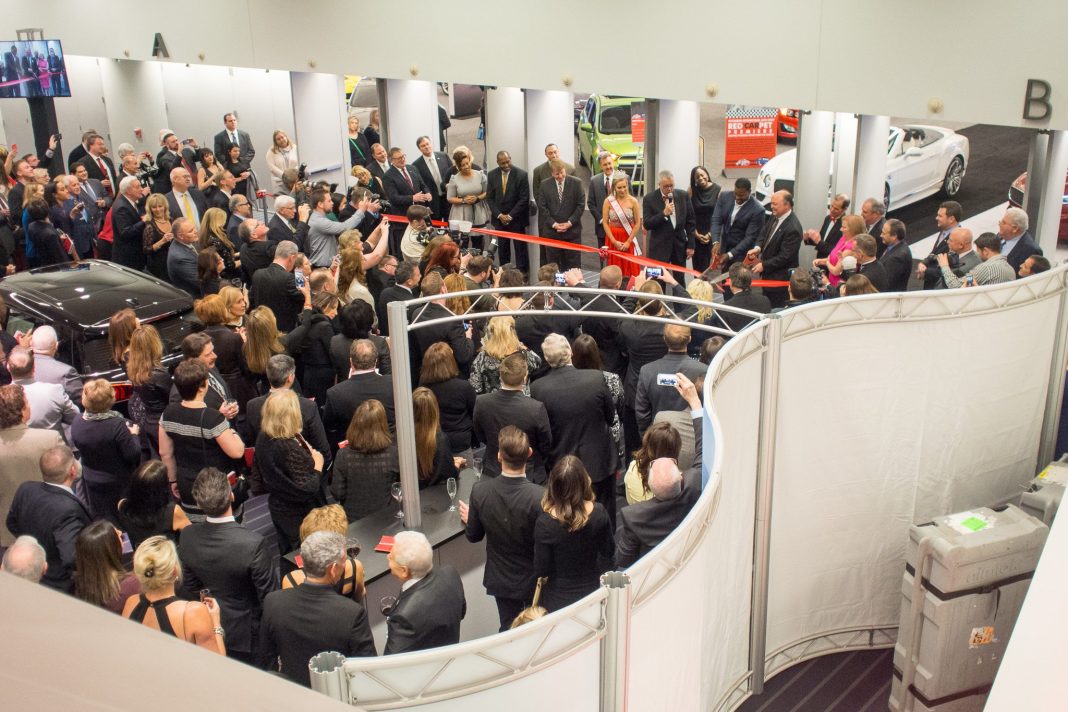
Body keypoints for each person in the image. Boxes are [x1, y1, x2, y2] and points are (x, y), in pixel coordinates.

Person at [178, 467, 277, 664]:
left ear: (199, 504)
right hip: (250, 635)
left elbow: (190, 586)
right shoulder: (253, 543)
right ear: (231, 496)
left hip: (208, 625)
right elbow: (269, 597)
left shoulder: (187, 535)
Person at [261, 530, 376, 685]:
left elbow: (266, 660)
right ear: (333, 569)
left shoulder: (273, 602)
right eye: (344, 561)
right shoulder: (352, 613)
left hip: (293, 691)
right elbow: (368, 669)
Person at [459, 426, 545, 631]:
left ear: (499, 456)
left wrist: (473, 516)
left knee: (507, 628)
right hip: (534, 578)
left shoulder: (481, 492)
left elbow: (473, 536)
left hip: (502, 580)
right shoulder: (540, 496)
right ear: (529, 454)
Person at [616, 375, 704, 566]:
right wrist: (695, 402)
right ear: (681, 476)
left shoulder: (634, 516)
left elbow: (624, 559)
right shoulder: (695, 484)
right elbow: (702, 449)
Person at [531, 334, 617, 520]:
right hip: (599, 461)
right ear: (570, 351)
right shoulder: (596, 378)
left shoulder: (538, 388)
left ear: (546, 358)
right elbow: (610, 418)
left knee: (567, 517)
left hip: (562, 464)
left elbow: (542, 431)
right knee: (605, 515)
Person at [533, 456, 614, 612]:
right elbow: (608, 552)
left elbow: (542, 569)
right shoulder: (599, 514)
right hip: (593, 592)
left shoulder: (545, 524)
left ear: (553, 486)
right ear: (584, 481)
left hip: (558, 602)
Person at [6, 445, 92, 592]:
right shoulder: (68, 508)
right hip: (59, 583)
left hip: (34, 572)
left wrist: (36, 548)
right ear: (72, 470)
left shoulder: (26, 488)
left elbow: (11, 523)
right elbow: (71, 557)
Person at [159, 360, 245, 506]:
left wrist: (173, 480)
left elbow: (165, 453)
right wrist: (233, 432)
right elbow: (237, 452)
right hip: (216, 486)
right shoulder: (214, 418)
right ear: (202, 387)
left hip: (186, 484)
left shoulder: (167, 414)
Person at [123, 535, 226, 654]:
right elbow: (216, 663)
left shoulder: (131, 603)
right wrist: (216, 622)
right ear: (174, 571)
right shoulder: (193, 612)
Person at [253, 390, 326, 554]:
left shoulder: (263, 436)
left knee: (287, 553)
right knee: (307, 556)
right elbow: (308, 488)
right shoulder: (287, 447)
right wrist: (318, 465)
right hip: (299, 513)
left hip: (278, 505)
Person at [0, 384, 65, 549]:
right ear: (22, 410)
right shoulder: (49, 439)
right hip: (52, 526)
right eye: (27, 403)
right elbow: (75, 472)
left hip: (9, 536)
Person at [473, 352, 553, 484]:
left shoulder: (482, 402)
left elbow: (481, 436)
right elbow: (546, 444)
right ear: (525, 377)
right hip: (529, 473)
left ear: (500, 375)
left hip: (494, 469)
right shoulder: (535, 408)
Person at [70, 379, 142, 522]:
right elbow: (133, 454)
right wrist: (134, 435)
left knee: (104, 522)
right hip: (119, 484)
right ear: (111, 399)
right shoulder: (117, 425)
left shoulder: (77, 422)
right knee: (126, 521)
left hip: (92, 482)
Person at [384, 530, 466, 655]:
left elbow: (391, 661)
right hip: (450, 658)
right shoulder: (450, 574)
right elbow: (461, 612)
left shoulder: (403, 616)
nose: (387, 556)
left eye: (391, 556)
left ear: (404, 571)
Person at [634, 323, 709, 434]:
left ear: (664, 339)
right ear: (690, 339)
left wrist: (647, 438)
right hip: (693, 439)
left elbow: (642, 413)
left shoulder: (647, 371)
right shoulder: (704, 371)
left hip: (658, 440)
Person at [331, 399, 399, 521]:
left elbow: (337, 493)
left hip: (353, 521)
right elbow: (399, 489)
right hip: (386, 519)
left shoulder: (343, 455)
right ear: (383, 424)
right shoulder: (394, 454)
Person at [323, 339, 395, 445]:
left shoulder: (335, 393)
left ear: (351, 362)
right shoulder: (393, 384)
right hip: (390, 447)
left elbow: (329, 428)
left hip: (353, 450)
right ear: (376, 361)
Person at [410, 272, 476, 378]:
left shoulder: (416, 314)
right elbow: (463, 356)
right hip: (449, 375)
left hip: (426, 374)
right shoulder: (452, 320)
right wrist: (468, 338)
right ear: (443, 289)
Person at [7, 347, 79, 445]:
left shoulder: (3, 398)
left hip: (18, 455)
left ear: (8, 367)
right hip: (55, 453)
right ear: (34, 368)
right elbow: (75, 417)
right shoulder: (54, 391)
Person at [196, 295, 256, 411]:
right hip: (238, 390)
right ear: (221, 311)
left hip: (212, 390)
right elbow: (247, 368)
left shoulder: (199, 339)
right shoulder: (233, 338)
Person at [744, 189, 803, 308]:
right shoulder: (776, 215)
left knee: (776, 307)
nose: (771, 207)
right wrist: (757, 248)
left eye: (775, 204)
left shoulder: (793, 229)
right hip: (768, 275)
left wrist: (764, 265)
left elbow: (785, 257)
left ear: (787, 205)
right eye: (771, 203)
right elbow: (764, 232)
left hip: (779, 280)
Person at [117, 460, 191, 551]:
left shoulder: (122, 506)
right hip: (166, 561)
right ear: (161, 488)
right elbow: (192, 537)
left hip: (140, 559)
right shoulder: (172, 512)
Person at [73, 520, 141, 613]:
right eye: (119, 535)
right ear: (112, 548)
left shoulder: (80, 585)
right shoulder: (132, 585)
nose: (121, 533)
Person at [420, 343, 476, 455]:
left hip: (433, 443)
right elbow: (474, 414)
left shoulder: (423, 388)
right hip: (460, 444)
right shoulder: (463, 387)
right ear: (450, 362)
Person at [285, 292, 340, 406]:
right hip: (323, 375)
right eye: (333, 308)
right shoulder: (325, 326)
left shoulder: (306, 322)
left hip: (307, 372)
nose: (336, 312)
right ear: (325, 306)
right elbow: (332, 351)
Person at [124, 326, 171, 458]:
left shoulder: (135, 370)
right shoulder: (158, 375)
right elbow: (172, 399)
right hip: (164, 425)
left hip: (149, 422)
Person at [642, 171, 696, 279]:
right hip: (658, 248)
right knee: (656, 279)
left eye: (671, 186)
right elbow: (647, 224)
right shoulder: (649, 198)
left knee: (679, 280)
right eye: (666, 186)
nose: (670, 189)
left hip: (679, 246)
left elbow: (690, 222)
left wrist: (691, 245)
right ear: (659, 185)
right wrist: (663, 214)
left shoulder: (683, 195)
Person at [485, 150, 531, 275]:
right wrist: (499, 215)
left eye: (507, 161)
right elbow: (489, 198)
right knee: (503, 249)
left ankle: (522, 275)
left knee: (520, 249)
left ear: (510, 158)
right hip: (499, 220)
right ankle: (504, 274)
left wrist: (510, 216)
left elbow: (524, 198)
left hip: (517, 219)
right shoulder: (492, 175)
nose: (505, 165)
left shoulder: (521, 174)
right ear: (497, 162)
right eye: (502, 163)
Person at [250, 240, 310, 332]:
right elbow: (304, 299)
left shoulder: (257, 274)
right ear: (292, 257)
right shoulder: (289, 278)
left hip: (261, 329)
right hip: (283, 332)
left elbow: (252, 300)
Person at [535, 159, 584, 270]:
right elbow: (542, 207)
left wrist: (569, 223)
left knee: (573, 268)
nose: (561, 176)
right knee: (553, 268)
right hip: (552, 233)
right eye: (557, 174)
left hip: (572, 233)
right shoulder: (544, 185)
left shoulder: (577, 183)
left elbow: (580, 205)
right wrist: (554, 224)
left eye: (562, 172)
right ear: (552, 173)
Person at [710, 177, 765, 271]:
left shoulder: (758, 210)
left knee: (738, 282)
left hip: (742, 253)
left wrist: (730, 254)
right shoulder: (724, 197)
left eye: (742, 195)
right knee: (724, 281)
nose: (737, 198)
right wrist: (715, 242)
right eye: (736, 194)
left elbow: (750, 238)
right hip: (725, 247)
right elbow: (716, 220)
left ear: (749, 192)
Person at [412, 387, 460, 489]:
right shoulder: (440, 440)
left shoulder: (405, 439)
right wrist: (456, 464)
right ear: (435, 409)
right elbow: (448, 476)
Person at [938, 231, 1017, 287]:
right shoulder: (1011, 269)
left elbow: (955, 286)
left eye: (978, 251)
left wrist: (945, 266)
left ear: (985, 251)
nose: (977, 254)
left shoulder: (986, 268)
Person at [446, 148, 491, 244]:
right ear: (458, 166)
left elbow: (488, 192)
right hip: (461, 213)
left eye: (467, 163)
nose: (466, 166)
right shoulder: (454, 179)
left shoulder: (480, 175)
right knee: (463, 242)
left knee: (478, 241)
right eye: (463, 165)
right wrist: (463, 200)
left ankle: (477, 259)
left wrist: (478, 198)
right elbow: (450, 198)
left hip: (478, 212)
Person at [602, 174, 642, 279]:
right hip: (613, 238)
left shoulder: (633, 201)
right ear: (614, 187)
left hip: (628, 237)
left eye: (625, 186)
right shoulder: (608, 201)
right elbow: (605, 223)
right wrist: (614, 241)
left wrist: (629, 241)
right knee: (614, 268)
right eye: (619, 187)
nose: (622, 190)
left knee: (629, 267)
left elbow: (637, 223)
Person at [29, 325, 83, 403]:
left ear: (31, 343)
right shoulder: (66, 372)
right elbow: (82, 401)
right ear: (56, 345)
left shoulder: (20, 367)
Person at [917, 201, 964, 286]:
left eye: (940, 216)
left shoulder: (958, 239)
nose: (936, 218)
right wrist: (924, 263)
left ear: (951, 219)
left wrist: (925, 272)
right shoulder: (945, 230)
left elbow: (952, 269)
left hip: (939, 288)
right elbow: (934, 253)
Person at [813, 213, 864, 288]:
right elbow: (832, 257)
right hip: (830, 281)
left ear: (853, 230)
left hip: (839, 286)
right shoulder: (843, 238)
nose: (841, 229)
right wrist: (820, 261)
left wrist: (826, 263)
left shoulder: (852, 247)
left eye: (844, 227)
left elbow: (836, 271)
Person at [687, 166, 721, 273]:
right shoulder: (691, 190)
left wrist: (711, 234)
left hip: (711, 234)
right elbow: (687, 213)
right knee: (697, 270)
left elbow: (720, 215)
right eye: (697, 177)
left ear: (707, 174)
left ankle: (705, 289)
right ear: (694, 180)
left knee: (708, 270)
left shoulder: (718, 189)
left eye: (702, 175)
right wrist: (695, 233)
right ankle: (697, 290)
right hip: (695, 234)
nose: (701, 178)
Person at [377, 261, 420, 337]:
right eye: (418, 275)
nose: (420, 276)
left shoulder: (384, 293)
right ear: (409, 282)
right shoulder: (414, 305)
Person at [199, 207, 241, 281]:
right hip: (230, 277)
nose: (225, 222)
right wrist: (245, 258)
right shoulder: (215, 241)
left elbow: (224, 256)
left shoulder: (206, 236)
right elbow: (229, 266)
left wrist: (239, 254)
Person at [25, 198, 69, 268]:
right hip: (55, 267)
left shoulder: (31, 226)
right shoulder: (51, 234)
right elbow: (60, 258)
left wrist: (58, 239)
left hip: (43, 263)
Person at [804, 194, 851, 260]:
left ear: (845, 209)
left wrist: (819, 242)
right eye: (831, 206)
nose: (831, 210)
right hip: (819, 260)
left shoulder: (845, 225)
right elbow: (822, 239)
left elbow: (837, 250)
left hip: (832, 263)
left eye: (836, 209)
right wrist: (807, 239)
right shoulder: (828, 218)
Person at [997, 206, 1041, 273]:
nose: (999, 223)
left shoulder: (1031, 250)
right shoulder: (1002, 234)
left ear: (1015, 229)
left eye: (1004, 222)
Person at [142, 193, 175, 281]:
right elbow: (146, 249)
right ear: (150, 209)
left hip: (173, 262)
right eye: (154, 207)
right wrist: (162, 241)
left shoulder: (171, 220)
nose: (158, 209)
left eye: (160, 206)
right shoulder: (149, 226)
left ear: (165, 206)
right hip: (159, 266)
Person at [166, 216, 201, 298]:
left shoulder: (186, 242)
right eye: (190, 231)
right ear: (180, 236)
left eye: (194, 228)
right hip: (197, 298)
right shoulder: (180, 258)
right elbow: (200, 283)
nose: (195, 231)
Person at [878, 218, 913, 292]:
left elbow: (886, 284)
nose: (881, 235)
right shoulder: (896, 246)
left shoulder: (897, 258)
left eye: (884, 233)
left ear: (894, 236)